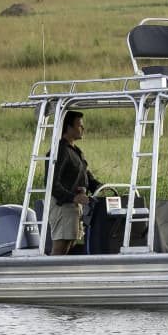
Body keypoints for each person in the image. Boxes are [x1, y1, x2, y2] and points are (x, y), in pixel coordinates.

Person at [48, 110, 100, 256]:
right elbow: (52, 183)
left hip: (75, 206)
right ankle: (48, 276)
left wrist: (102, 187)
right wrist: (73, 197)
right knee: (60, 247)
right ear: (68, 127)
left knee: (70, 244)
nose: (82, 128)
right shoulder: (60, 151)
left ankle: (61, 276)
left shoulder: (76, 151)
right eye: (79, 125)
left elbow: (86, 176)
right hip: (62, 205)